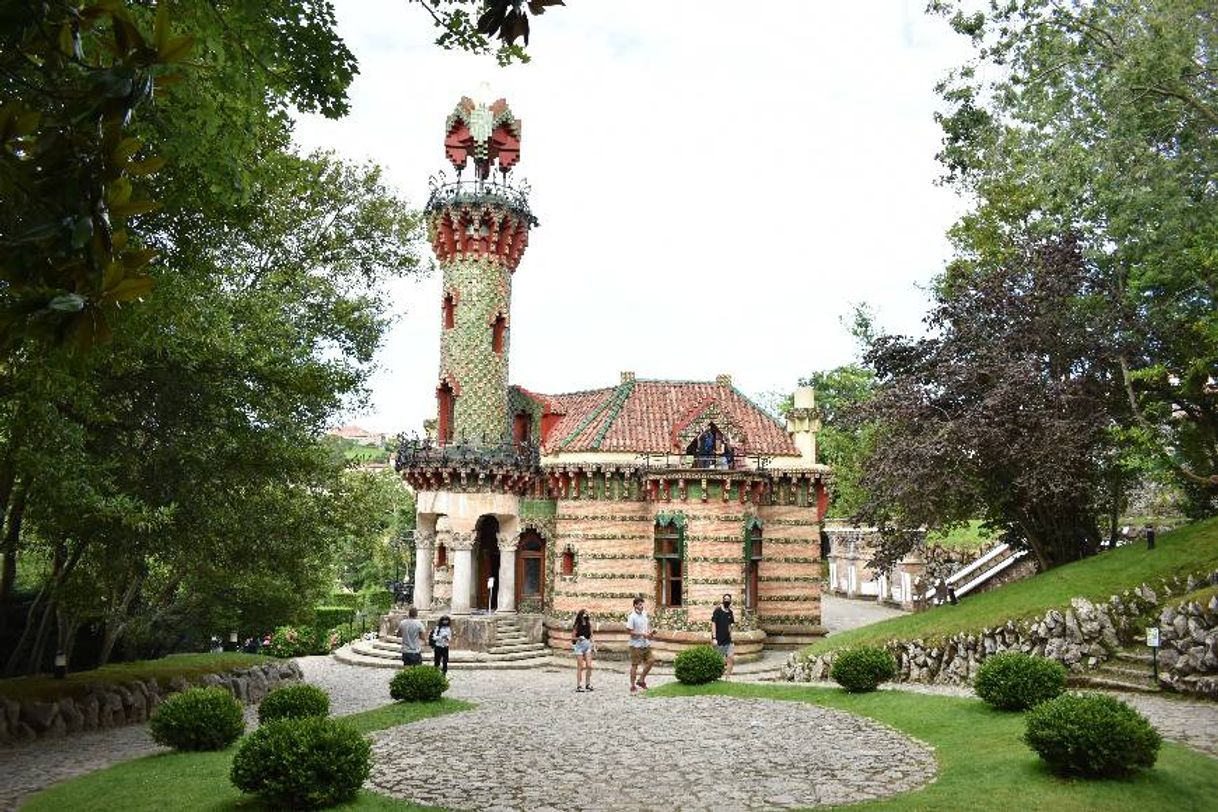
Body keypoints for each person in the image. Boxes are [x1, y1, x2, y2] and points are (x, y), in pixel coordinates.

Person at [626, 596, 655, 693]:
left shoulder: (645, 614)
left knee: (651, 661)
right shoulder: (632, 617)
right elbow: (630, 632)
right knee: (635, 665)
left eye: (642, 604)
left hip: (645, 643)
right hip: (635, 645)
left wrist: (651, 632)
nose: (642, 606)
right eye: (640, 604)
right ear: (635, 605)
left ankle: (641, 680)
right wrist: (642, 634)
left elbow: (647, 626)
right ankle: (633, 685)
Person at [711, 593, 735, 678]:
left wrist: (732, 639)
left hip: (728, 640)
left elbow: (730, 627)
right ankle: (716, 676)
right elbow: (713, 624)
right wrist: (714, 638)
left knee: (731, 658)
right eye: (725, 599)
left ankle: (727, 678)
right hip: (718, 640)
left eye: (728, 599)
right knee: (718, 660)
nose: (726, 601)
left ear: (730, 601)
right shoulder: (717, 611)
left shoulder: (730, 613)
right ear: (723, 600)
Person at [572, 608, 594, 692]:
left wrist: (594, 645)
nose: (586, 615)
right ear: (581, 616)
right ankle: (579, 685)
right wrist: (578, 638)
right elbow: (572, 637)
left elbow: (591, 636)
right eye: (584, 614)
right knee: (580, 666)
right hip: (579, 647)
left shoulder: (589, 624)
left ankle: (588, 683)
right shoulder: (577, 625)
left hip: (587, 646)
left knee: (589, 665)